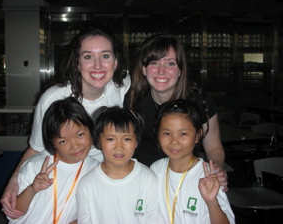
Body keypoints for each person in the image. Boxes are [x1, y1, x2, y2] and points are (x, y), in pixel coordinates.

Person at [1, 23, 130, 218]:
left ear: (116, 61)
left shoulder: (123, 86)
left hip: (97, 176)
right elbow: (35, 147)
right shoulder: (54, 98)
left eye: (105, 56)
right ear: (77, 63)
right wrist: (14, 182)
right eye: (88, 57)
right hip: (58, 179)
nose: (97, 65)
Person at [125, 34, 227, 190]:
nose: (161, 71)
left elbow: (213, 148)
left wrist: (215, 171)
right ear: (144, 69)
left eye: (170, 63)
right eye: (154, 63)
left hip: (186, 179)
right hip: (145, 180)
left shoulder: (198, 100)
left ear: (180, 70)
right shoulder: (133, 100)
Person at [8, 97, 99, 223]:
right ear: (52, 142)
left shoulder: (97, 171)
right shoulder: (36, 165)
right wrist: (32, 189)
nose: (75, 145)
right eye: (63, 141)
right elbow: (13, 214)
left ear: (90, 129)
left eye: (80, 135)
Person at [150, 99, 235, 224]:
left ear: (197, 135)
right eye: (167, 133)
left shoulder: (209, 175)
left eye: (183, 133)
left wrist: (212, 203)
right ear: (157, 134)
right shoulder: (155, 169)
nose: (174, 141)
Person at [76, 106, 160, 224]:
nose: (119, 147)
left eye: (127, 139)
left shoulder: (148, 179)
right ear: (99, 141)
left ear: (136, 141)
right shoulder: (87, 184)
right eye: (110, 139)